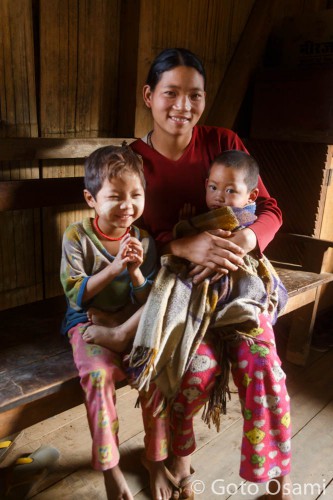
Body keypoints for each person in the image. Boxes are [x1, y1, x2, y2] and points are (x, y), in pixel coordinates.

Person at [130, 48, 293, 500]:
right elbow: (128, 234)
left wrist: (244, 241)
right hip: (175, 288)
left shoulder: (224, 142)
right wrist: (179, 243)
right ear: (149, 95)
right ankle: (170, 458)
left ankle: (276, 478)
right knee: (190, 369)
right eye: (171, 93)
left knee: (263, 366)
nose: (183, 105)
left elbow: (269, 209)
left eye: (195, 95)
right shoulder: (134, 160)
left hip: (238, 286)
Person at [60, 145, 159, 500]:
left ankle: (157, 457)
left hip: (125, 323)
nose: (127, 205)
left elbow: (146, 301)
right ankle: (111, 467)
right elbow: (76, 296)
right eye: (115, 196)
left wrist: (134, 273)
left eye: (136, 195)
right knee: (98, 376)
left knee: (155, 371)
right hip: (86, 324)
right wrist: (115, 266)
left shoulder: (143, 241)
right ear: (91, 198)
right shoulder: (76, 237)